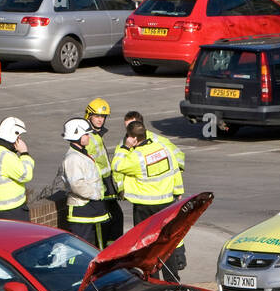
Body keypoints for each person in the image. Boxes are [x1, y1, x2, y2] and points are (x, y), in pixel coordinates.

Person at [112, 120, 188, 273]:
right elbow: (174, 170)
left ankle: (152, 277)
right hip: (166, 202)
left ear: (133, 138)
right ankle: (172, 278)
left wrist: (125, 147)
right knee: (167, 241)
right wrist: (178, 191)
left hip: (144, 206)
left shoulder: (135, 157)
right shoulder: (163, 148)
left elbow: (116, 165)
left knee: (146, 244)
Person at [61, 118, 109, 248]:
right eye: (86, 134)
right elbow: (77, 185)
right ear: (77, 136)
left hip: (90, 209)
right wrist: (96, 194)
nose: (89, 137)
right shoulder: (73, 158)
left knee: (94, 248)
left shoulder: (82, 154)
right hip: (82, 211)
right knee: (81, 250)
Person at [0, 116, 34, 220]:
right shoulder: (6, 156)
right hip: (12, 212)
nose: (20, 140)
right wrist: (25, 153)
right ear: (14, 135)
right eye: (19, 137)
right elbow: (26, 175)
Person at [84, 98, 123, 242]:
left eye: (103, 117)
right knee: (107, 223)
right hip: (99, 186)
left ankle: (113, 249)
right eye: (97, 116)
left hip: (107, 185)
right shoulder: (88, 137)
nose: (100, 120)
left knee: (116, 219)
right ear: (89, 115)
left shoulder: (96, 134)